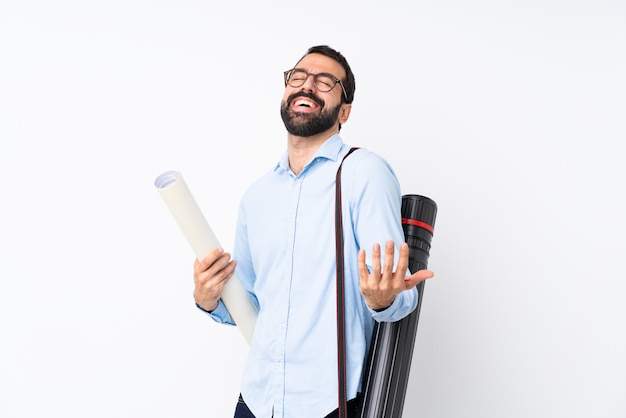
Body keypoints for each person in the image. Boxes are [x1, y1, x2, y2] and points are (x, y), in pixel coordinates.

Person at [192, 45, 434, 418]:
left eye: (325, 82)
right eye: (298, 77)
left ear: (345, 111)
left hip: (328, 404)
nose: (307, 86)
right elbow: (250, 303)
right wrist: (208, 299)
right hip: (256, 400)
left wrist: (384, 297)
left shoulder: (363, 173)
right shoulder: (256, 197)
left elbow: (398, 295)